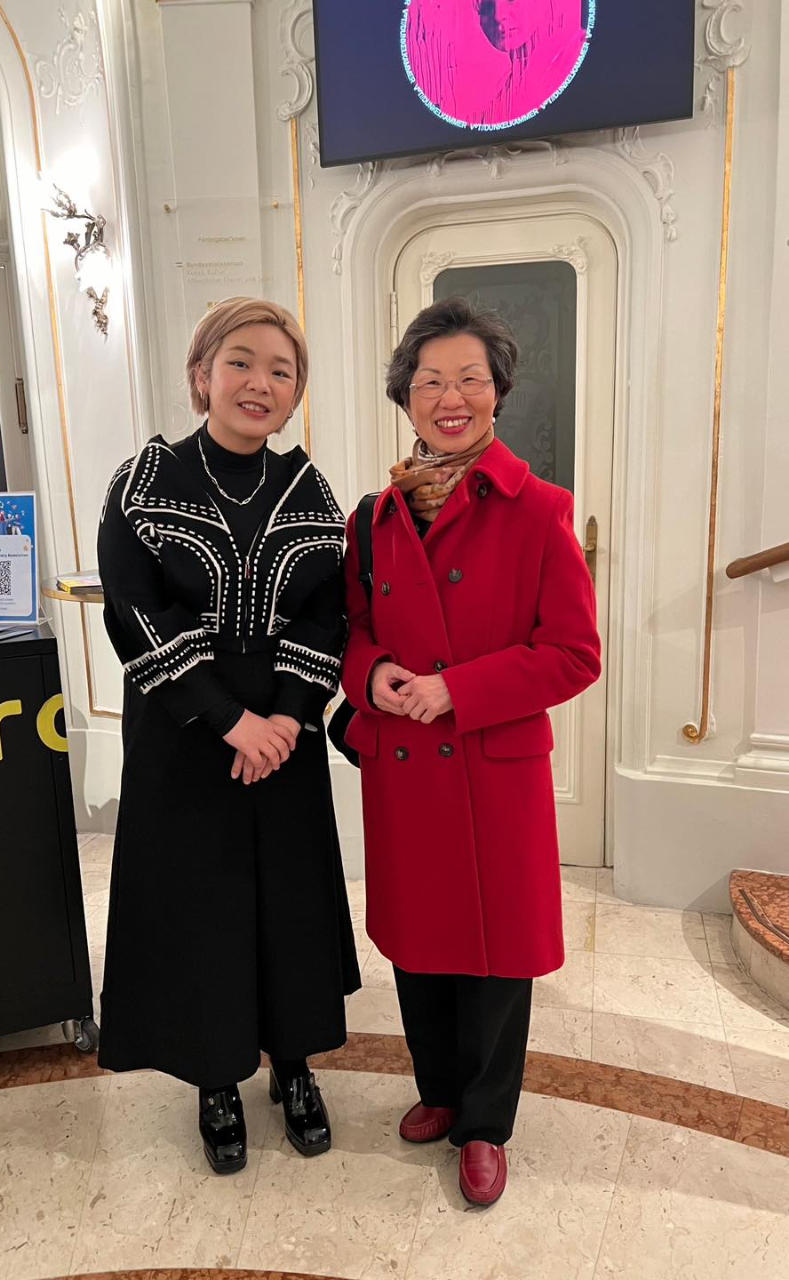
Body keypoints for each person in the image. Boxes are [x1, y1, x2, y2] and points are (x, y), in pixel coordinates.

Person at [341, 297, 600, 1206]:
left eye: (469, 381)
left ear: (498, 393)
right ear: (405, 398)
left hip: (491, 770)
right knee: (420, 943)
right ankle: (440, 1092)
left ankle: (486, 1122)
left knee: (493, 957)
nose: (450, 399)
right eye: (429, 383)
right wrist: (373, 676)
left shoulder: (539, 511)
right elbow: (355, 630)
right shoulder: (373, 516)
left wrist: (460, 689)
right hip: (406, 765)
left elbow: (575, 655)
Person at [97, 297, 360, 1175]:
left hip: (284, 733)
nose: (260, 382)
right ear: (201, 373)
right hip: (185, 730)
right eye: (241, 361)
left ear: (295, 394)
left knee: (289, 898)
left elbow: (328, 614)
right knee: (200, 902)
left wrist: (284, 716)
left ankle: (295, 1064)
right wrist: (229, 719)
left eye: (281, 371)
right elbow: (136, 612)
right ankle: (215, 1077)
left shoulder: (308, 487)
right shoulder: (146, 480)